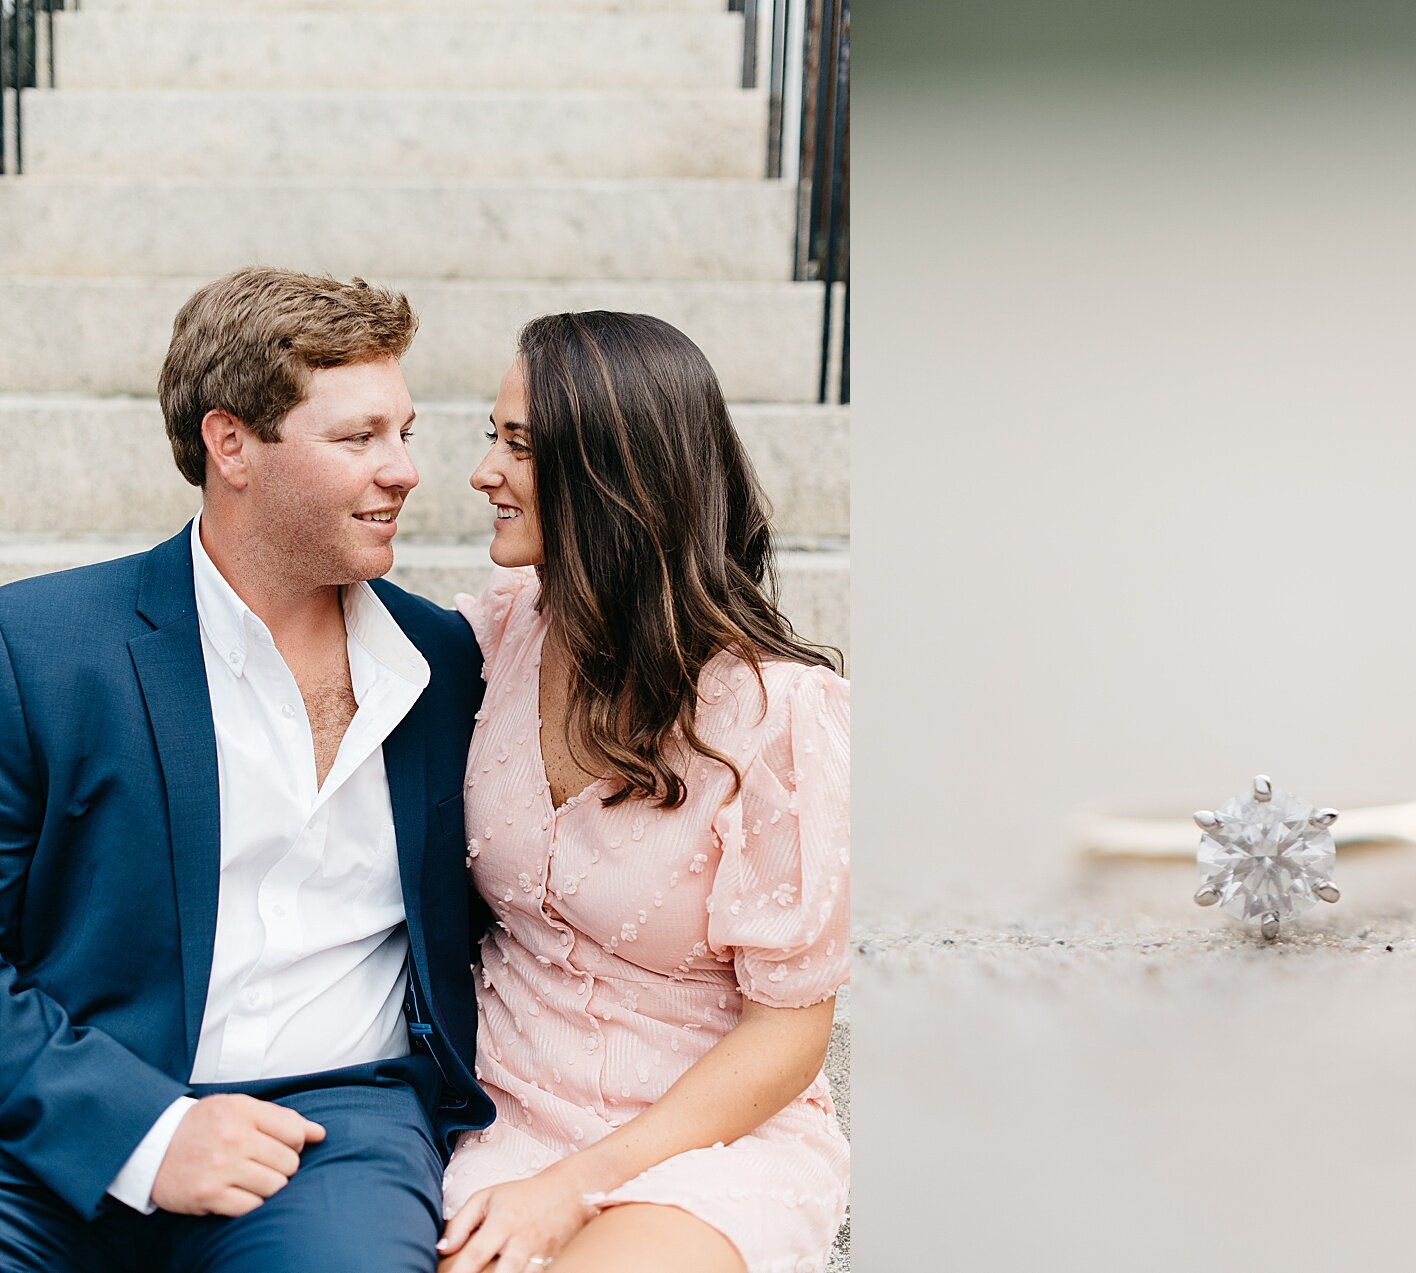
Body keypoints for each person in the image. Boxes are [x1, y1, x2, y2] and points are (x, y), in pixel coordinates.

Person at [0, 267, 494, 1271]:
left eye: (405, 433)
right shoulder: (39, 649)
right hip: (60, 1118)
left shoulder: (444, 663)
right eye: (357, 438)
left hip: (337, 1136)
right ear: (231, 444)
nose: (402, 470)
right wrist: (142, 1131)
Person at [434, 312, 849, 1273]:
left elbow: (788, 1032)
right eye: (490, 438)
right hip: (503, 1112)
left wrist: (572, 1189)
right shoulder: (499, 636)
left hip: (706, 1137)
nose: (484, 472)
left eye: (520, 446)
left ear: (610, 476)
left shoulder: (776, 715)